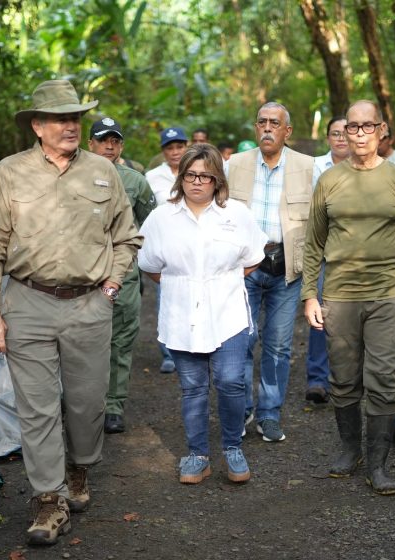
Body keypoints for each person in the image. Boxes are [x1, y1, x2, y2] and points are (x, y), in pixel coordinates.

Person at [0, 79, 142, 546]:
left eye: (76, 118)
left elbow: (127, 236)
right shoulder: (9, 173)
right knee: (36, 408)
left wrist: (112, 281)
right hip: (26, 303)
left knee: (87, 404)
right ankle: (49, 501)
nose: (71, 126)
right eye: (60, 119)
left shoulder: (103, 173)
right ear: (37, 126)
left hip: (89, 304)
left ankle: (79, 469)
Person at [302, 100, 395, 495]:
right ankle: (349, 450)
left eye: (366, 127)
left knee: (385, 382)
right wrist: (310, 293)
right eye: (352, 127)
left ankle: (378, 464)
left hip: (386, 295)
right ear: (344, 133)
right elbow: (313, 244)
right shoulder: (329, 180)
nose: (358, 134)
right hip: (340, 297)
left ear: (381, 131)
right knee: (343, 379)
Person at [138, 144, 267, 484]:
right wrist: (183, 284)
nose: (197, 182)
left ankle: (232, 448)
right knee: (193, 387)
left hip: (228, 312)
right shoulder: (161, 218)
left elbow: (255, 255)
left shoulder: (236, 214)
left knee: (230, 381)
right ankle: (197, 455)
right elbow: (150, 265)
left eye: (205, 176)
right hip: (181, 312)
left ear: (216, 180)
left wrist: (223, 281)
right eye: (190, 175)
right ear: (181, 178)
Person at [225, 102, 314, 443]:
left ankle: (269, 413)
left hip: (286, 268)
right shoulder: (235, 164)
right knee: (243, 340)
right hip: (244, 269)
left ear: (286, 131)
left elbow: (320, 219)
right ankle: (244, 408)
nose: (266, 128)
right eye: (261, 121)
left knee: (278, 346)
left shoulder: (307, 167)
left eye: (274, 123)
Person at [87, 116, 156, 434]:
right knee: (80, 341)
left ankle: (114, 405)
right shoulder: (74, 179)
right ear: (91, 145)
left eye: (115, 140)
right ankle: (82, 402)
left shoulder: (135, 181)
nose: (109, 146)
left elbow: (151, 222)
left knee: (121, 342)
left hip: (124, 276)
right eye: (103, 140)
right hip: (81, 278)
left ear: (121, 146)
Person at [304, 116, 351, 404]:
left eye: (345, 133)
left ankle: (347, 379)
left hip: (354, 254)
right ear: (328, 138)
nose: (341, 138)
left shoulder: (365, 168)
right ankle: (317, 379)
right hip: (322, 251)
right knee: (320, 314)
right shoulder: (314, 169)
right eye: (335, 133)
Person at [146, 126, 188, 374]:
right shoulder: (152, 176)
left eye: (179, 147)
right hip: (166, 248)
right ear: (163, 151)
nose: (175, 152)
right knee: (166, 300)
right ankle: (169, 353)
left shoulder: (198, 171)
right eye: (170, 148)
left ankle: (194, 348)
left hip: (195, 245)